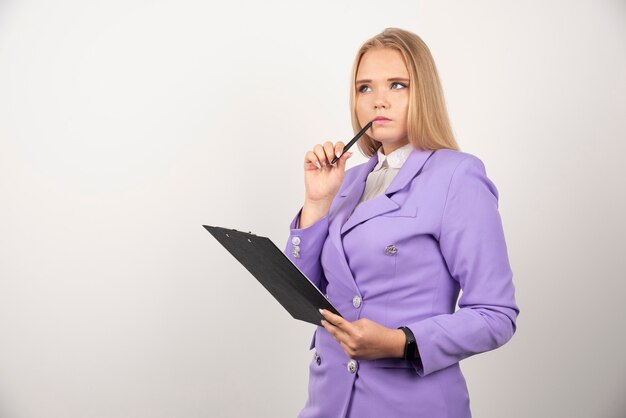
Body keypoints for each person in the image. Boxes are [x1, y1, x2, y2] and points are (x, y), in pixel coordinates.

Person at [284, 27, 519, 418]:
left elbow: (496, 314)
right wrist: (316, 201)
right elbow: (302, 293)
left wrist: (400, 342)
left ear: (422, 92)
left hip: (410, 406)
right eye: (365, 89)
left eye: (397, 85)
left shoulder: (458, 176)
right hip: (326, 403)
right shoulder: (349, 180)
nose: (378, 101)